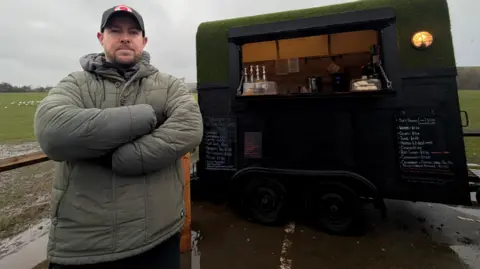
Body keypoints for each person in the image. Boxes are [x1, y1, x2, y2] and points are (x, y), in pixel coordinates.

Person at [34, 4, 203, 269]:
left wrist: (125, 158)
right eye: (115, 30)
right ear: (101, 38)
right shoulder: (76, 83)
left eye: (133, 32)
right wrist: (144, 116)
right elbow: (51, 131)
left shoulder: (168, 84)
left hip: (158, 238)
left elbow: (190, 125)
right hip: (85, 247)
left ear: (143, 41)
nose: (125, 37)